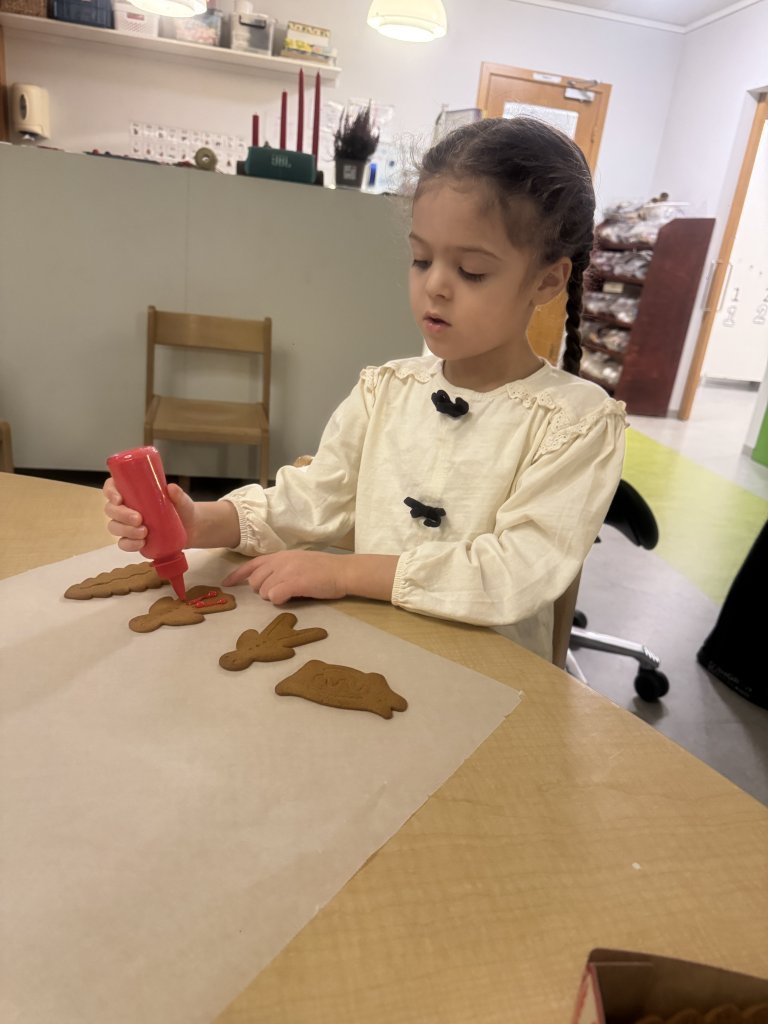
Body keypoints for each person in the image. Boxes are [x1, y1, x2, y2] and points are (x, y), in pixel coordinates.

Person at [104, 117, 626, 662]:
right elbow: (314, 499)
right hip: (374, 649)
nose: (434, 285)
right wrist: (200, 522)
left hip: (492, 677)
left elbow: (514, 573)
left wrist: (345, 572)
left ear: (546, 280)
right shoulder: (386, 390)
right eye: (421, 259)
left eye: (471, 271)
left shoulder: (576, 423)